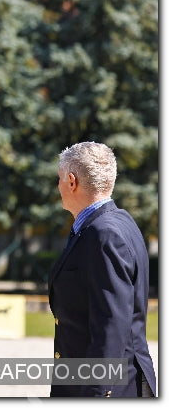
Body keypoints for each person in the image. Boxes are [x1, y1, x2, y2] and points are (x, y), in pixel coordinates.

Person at [49, 142, 156, 397]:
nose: (58, 186)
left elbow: (111, 324)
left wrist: (98, 394)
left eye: (60, 179)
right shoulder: (117, 222)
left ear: (72, 181)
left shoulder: (104, 234)